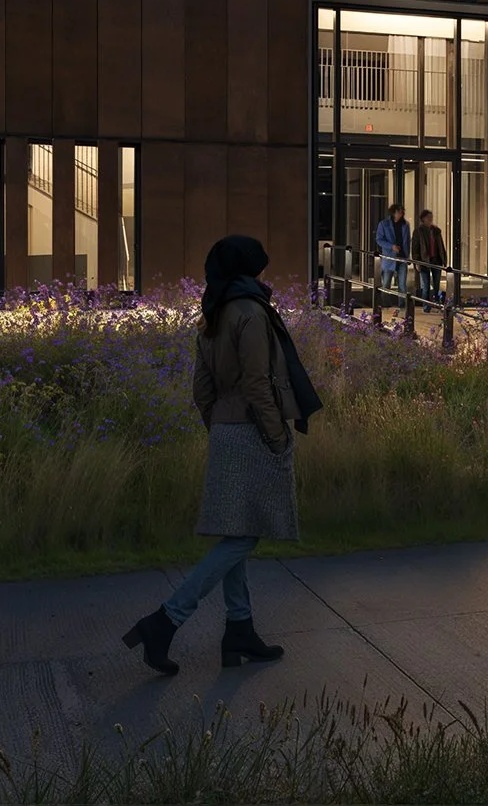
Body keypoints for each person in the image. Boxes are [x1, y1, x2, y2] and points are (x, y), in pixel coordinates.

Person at [121, 236, 305, 674]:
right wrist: (277, 436)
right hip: (253, 431)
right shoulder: (253, 313)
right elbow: (259, 383)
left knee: (235, 529)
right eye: (260, 268)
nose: (265, 275)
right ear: (248, 271)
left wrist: (219, 423)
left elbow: (201, 390)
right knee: (244, 534)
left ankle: (239, 628)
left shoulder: (213, 315)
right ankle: (166, 619)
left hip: (225, 428)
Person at [410, 208, 447, 304]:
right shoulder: (418, 231)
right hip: (424, 261)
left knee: (436, 284)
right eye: (428, 217)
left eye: (431, 217)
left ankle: (436, 303)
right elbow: (415, 248)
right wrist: (416, 262)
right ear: (423, 219)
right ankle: (426, 305)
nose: (430, 219)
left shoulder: (436, 231)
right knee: (426, 285)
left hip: (436, 260)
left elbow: (441, 246)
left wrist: (444, 259)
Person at [373, 202, 410, 293]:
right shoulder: (384, 224)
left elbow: (408, 241)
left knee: (402, 285)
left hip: (402, 258)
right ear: (393, 213)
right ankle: (385, 304)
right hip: (389, 258)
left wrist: (408, 256)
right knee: (386, 284)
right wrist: (391, 246)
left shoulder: (405, 225)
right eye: (398, 212)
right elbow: (379, 240)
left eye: (402, 212)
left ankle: (402, 305)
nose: (400, 214)